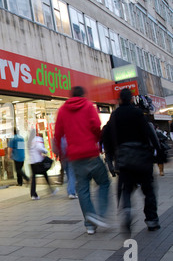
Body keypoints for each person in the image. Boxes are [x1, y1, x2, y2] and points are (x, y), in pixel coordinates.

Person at [102, 89, 161, 234]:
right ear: (131, 99)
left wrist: (109, 158)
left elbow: (106, 136)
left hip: (124, 160)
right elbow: (149, 132)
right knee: (148, 191)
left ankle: (127, 211)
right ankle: (152, 220)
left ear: (119, 100)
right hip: (142, 158)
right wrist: (158, 152)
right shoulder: (137, 113)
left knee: (127, 190)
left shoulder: (114, 116)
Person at [54, 86, 110, 235]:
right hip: (91, 153)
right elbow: (96, 126)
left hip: (75, 157)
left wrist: (61, 154)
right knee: (104, 182)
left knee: (83, 189)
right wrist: (97, 141)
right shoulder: (88, 106)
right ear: (83, 94)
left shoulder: (62, 110)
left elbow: (58, 134)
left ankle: (89, 224)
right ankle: (100, 214)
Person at [28, 129, 59, 200]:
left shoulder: (29, 141)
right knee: (44, 174)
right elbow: (40, 147)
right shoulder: (37, 139)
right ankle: (51, 190)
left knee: (34, 178)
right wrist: (46, 151)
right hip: (38, 161)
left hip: (32, 162)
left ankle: (33, 194)